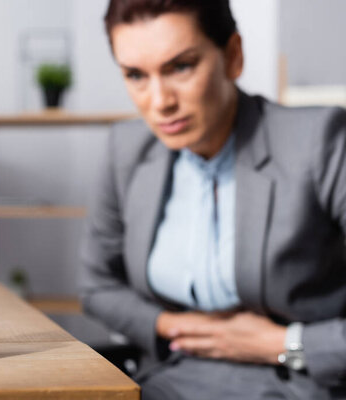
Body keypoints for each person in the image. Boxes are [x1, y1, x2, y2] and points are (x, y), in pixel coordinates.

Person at [79, 0, 346, 398]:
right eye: (136, 75)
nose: (160, 101)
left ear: (233, 56)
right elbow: (97, 286)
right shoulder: (126, 149)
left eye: (181, 66)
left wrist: (284, 343)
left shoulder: (319, 142)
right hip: (167, 378)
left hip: (298, 383)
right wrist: (168, 325)